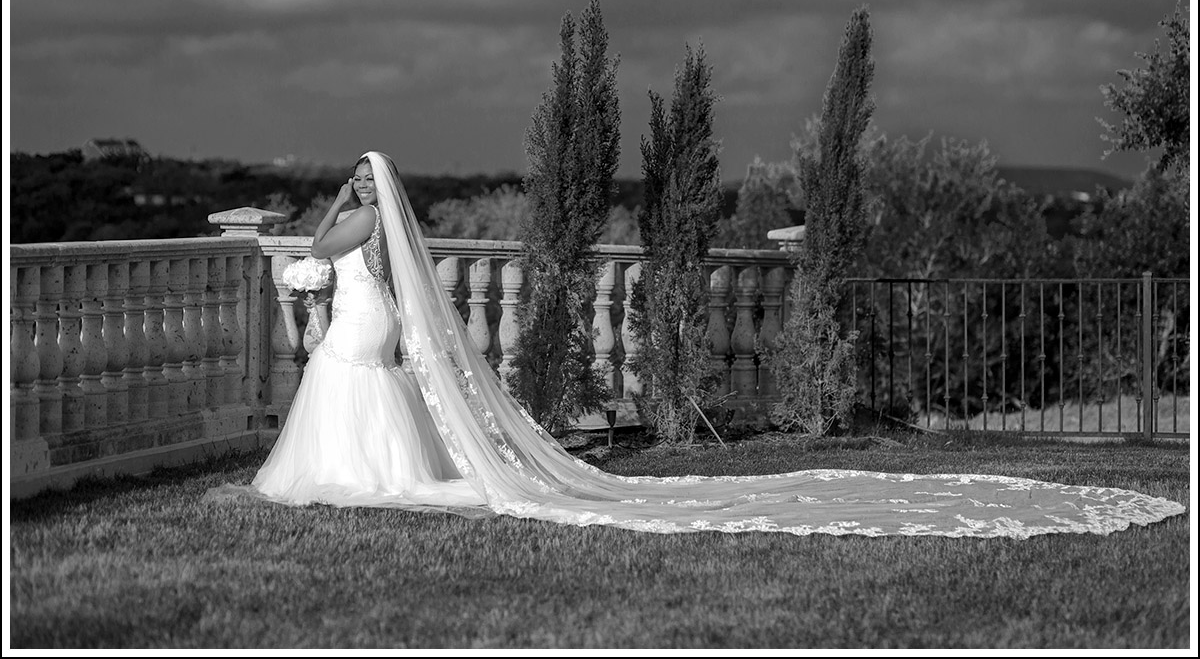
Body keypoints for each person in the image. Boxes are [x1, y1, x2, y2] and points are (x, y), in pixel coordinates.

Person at [209, 151, 1184, 539]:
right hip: (372, 316)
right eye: (357, 184)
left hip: (358, 317)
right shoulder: (384, 226)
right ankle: (377, 469)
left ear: (370, 190)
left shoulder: (355, 222)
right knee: (366, 387)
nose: (356, 192)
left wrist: (330, 206)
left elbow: (318, 244)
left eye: (362, 182)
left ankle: (361, 474)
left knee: (347, 382)